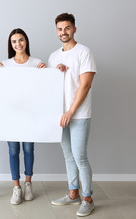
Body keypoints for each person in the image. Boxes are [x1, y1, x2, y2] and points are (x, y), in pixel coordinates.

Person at [48, 13, 97, 217]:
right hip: (60, 116)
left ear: (74, 29)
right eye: (60, 29)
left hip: (78, 115)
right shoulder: (53, 56)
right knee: (68, 156)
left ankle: (87, 198)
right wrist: (54, 72)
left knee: (80, 157)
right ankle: (73, 193)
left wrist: (70, 112)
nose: (63, 32)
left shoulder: (84, 52)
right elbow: (50, 86)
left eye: (67, 28)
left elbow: (85, 85)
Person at [0, 28, 46, 205]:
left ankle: (28, 184)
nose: (18, 44)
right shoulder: (5, 64)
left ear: (26, 42)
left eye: (21, 40)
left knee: (29, 149)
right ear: (11, 44)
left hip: (30, 115)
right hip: (11, 115)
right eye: (14, 41)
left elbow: (44, 87)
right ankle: (16, 187)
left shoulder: (36, 62)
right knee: (13, 151)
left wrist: (45, 72)